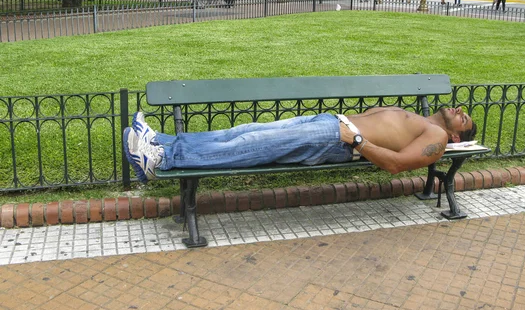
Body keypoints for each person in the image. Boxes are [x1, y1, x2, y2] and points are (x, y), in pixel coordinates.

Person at [123, 106, 477, 182]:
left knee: (254, 145)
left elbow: (397, 164)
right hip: (330, 124)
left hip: (336, 139)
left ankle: (161, 160)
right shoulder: (421, 119)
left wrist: (353, 139)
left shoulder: (439, 138)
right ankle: (164, 141)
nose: (460, 110)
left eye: (464, 118)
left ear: (457, 135)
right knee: (244, 132)